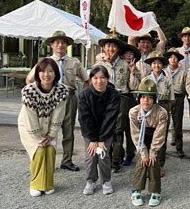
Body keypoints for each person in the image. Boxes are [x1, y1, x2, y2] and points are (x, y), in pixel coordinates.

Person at [25, 30, 89, 172]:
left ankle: (67, 161)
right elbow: (29, 79)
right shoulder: (45, 63)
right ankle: (48, 160)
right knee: (48, 130)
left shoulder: (74, 62)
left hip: (69, 98)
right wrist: (38, 95)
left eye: (63, 42)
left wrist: (82, 95)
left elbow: (86, 80)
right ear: (52, 45)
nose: (60, 45)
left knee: (68, 131)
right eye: (57, 42)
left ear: (67, 45)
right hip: (50, 98)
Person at [18, 58, 69, 196]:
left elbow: (59, 114)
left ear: (56, 73)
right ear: (37, 73)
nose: (46, 75)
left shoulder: (62, 90)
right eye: (42, 71)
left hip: (50, 127)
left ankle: (48, 183)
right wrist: (38, 137)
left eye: (50, 71)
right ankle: (35, 184)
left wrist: (51, 134)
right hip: (29, 128)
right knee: (39, 151)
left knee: (51, 150)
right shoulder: (29, 91)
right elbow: (30, 117)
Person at [94, 33, 136, 173]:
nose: (110, 48)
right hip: (103, 98)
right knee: (105, 129)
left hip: (121, 97)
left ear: (118, 48)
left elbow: (132, 86)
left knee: (118, 130)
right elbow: (94, 82)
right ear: (104, 48)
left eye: (113, 46)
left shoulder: (125, 64)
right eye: (107, 45)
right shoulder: (99, 64)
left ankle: (116, 161)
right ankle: (106, 157)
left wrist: (133, 72)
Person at [77, 66, 120, 195]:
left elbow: (110, 117)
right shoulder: (84, 94)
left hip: (106, 130)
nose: (99, 81)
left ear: (108, 79)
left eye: (102, 77)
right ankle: (91, 180)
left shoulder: (114, 94)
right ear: (90, 79)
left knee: (103, 155)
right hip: (89, 131)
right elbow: (84, 118)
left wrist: (102, 139)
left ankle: (106, 180)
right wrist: (93, 139)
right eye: (95, 78)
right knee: (90, 156)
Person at [129, 78, 169, 207]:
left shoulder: (162, 113)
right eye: (143, 97)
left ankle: (155, 190)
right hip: (141, 137)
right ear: (139, 98)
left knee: (153, 161)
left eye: (150, 98)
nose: (146, 100)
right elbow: (135, 134)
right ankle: (136, 189)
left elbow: (160, 134)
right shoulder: (133, 112)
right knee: (142, 161)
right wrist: (143, 152)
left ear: (155, 100)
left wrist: (153, 152)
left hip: (155, 137)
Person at [143, 51, 174, 176]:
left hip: (163, 106)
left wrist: (168, 110)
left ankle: (160, 164)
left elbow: (171, 98)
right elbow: (140, 97)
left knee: (161, 137)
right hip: (149, 109)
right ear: (151, 65)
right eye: (154, 63)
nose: (156, 65)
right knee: (147, 135)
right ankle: (147, 162)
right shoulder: (146, 79)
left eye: (159, 63)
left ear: (162, 65)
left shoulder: (167, 80)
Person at [119, 43, 142, 167]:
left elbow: (135, 87)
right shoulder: (117, 67)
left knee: (130, 128)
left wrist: (133, 72)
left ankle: (130, 153)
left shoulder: (137, 71)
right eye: (126, 54)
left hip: (131, 99)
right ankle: (118, 153)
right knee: (118, 128)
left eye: (131, 54)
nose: (129, 56)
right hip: (119, 98)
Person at [164, 47, 187, 157]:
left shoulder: (183, 72)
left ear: (178, 60)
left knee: (178, 122)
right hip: (166, 98)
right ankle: (162, 148)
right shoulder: (163, 71)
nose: (173, 59)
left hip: (178, 97)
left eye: (175, 57)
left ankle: (179, 147)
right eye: (171, 57)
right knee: (164, 122)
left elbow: (185, 86)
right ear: (168, 59)